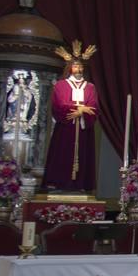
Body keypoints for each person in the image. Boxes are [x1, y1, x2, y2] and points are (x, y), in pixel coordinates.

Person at [43, 40, 99, 191]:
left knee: (83, 155)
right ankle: (59, 183)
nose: (78, 69)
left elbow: (93, 107)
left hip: (82, 129)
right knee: (62, 154)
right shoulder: (61, 85)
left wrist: (83, 111)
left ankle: (80, 185)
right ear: (70, 68)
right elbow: (60, 105)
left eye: (80, 66)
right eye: (75, 66)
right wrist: (80, 108)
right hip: (66, 129)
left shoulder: (90, 87)